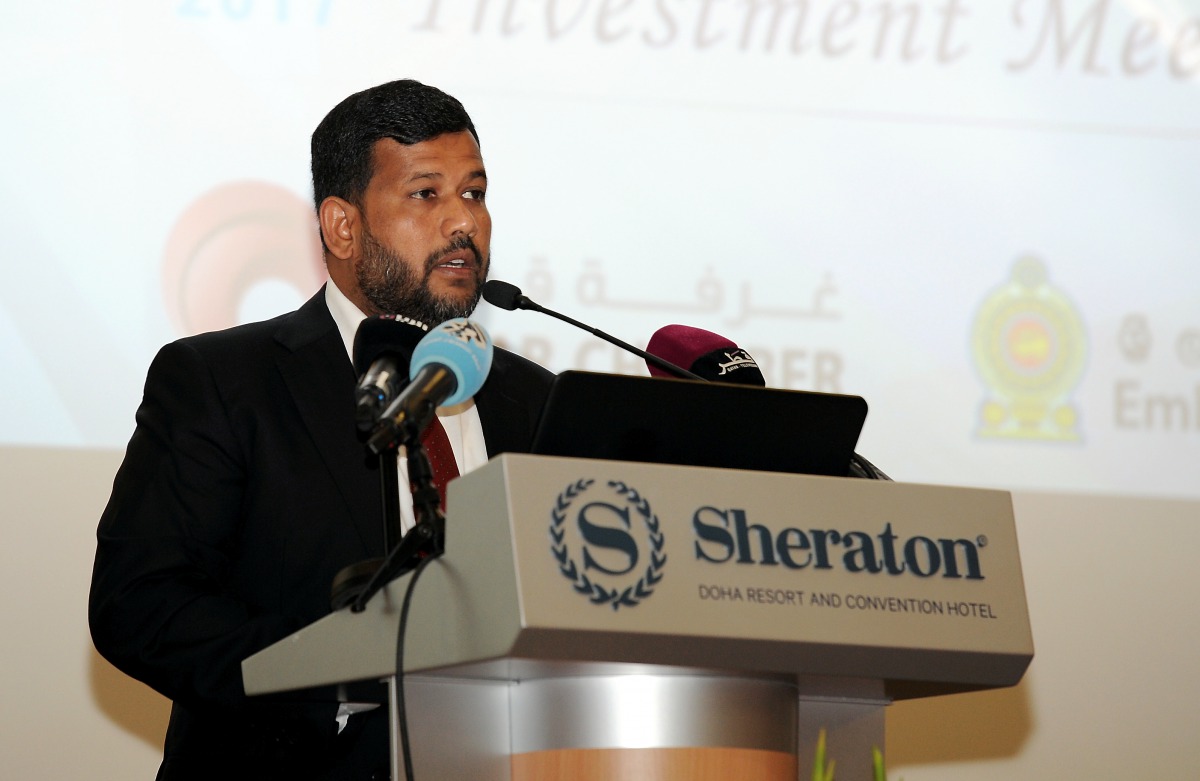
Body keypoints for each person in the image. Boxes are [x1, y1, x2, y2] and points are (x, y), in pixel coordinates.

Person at [89, 79, 554, 779]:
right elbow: (141, 602)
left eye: (475, 193)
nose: (464, 223)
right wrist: (340, 682)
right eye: (426, 194)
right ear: (342, 226)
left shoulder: (533, 399)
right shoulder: (224, 380)